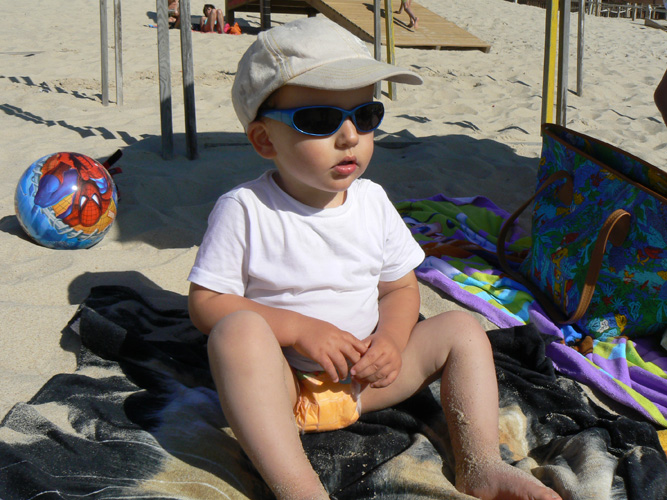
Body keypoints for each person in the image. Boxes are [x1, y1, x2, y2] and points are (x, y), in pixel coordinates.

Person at [188, 17, 562, 500]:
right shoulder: (245, 209)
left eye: (365, 115)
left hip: (365, 382)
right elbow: (206, 304)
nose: (349, 136)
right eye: (319, 120)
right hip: (282, 386)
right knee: (236, 333)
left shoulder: (372, 201)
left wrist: (390, 339)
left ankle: (481, 464)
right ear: (264, 140)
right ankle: (299, 488)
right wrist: (297, 329)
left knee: (462, 329)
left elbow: (400, 288)